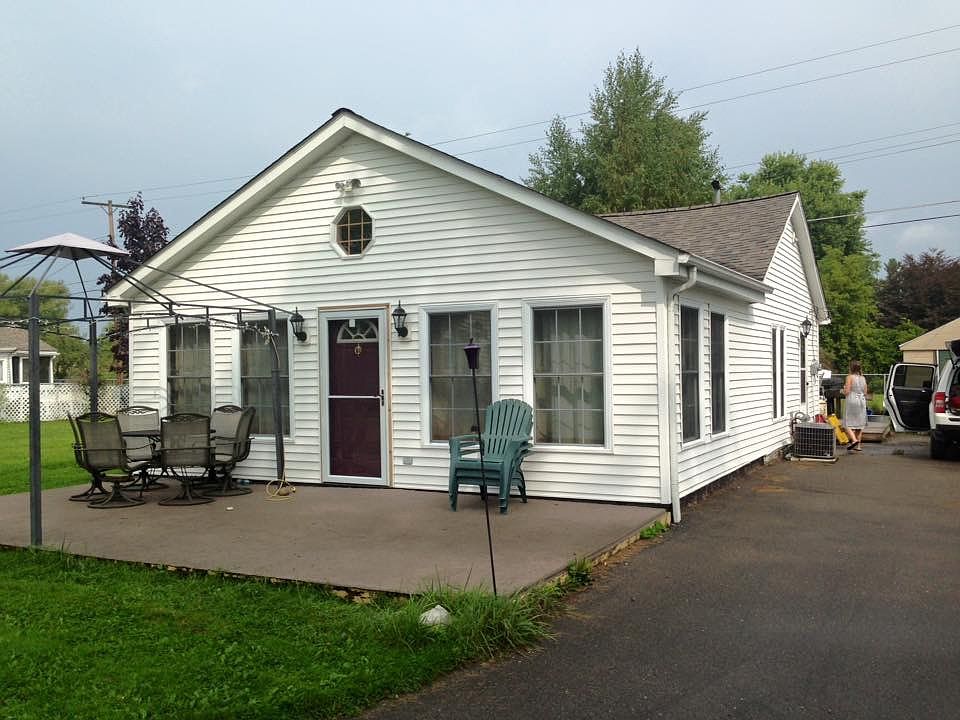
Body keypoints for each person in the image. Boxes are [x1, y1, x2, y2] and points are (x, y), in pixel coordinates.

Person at [843, 360, 868, 452]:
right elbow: (865, 392)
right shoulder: (863, 378)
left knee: (847, 423)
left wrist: (843, 390)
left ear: (851, 368)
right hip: (862, 400)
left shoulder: (849, 377)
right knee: (859, 424)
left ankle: (854, 440)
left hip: (852, 400)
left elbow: (847, 391)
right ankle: (858, 446)